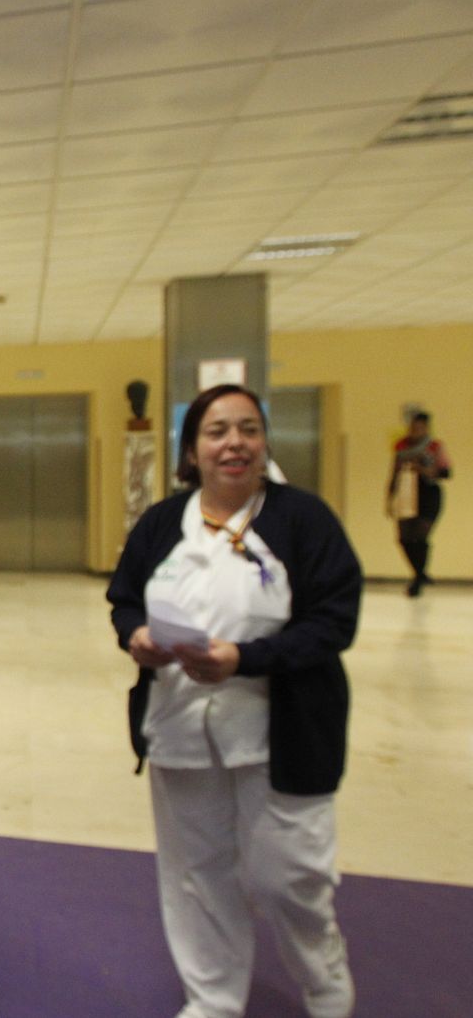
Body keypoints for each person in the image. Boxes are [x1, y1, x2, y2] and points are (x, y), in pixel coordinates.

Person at [107, 384, 361, 1018]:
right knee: (197, 874)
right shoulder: (166, 522)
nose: (235, 443)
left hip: (284, 734)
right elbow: (125, 597)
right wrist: (136, 636)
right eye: (217, 431)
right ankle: (213, 998)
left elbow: (335, 620)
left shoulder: (303, 520)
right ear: (192, 448)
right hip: (182, 730)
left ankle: (325, 982)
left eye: (248, 429)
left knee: (290, 877)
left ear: (264, 442)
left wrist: (245, 659)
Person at [388, 410, 452, 596]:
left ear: (426, 428)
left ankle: (417, 579)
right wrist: (389, 497)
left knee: (421, 535)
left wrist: (423, 469)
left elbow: (446, 472)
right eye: (413, 427)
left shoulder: (435, 447)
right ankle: (420, 573)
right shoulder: (400, 446)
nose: (415, 430)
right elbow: (394, 471)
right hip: (406, 492)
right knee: (404, 537)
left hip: (428, 493)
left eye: (420, 427)